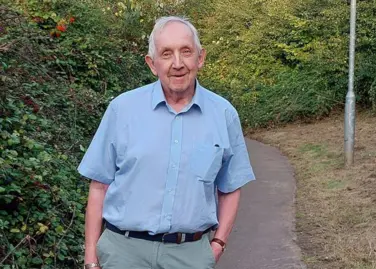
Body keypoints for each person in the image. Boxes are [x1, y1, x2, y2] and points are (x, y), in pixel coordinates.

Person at [78, 16, 255, 269]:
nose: (178, 63)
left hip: (190, 256)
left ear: (200, 58)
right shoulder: (123, 109)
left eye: (186, 51)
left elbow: (230, 187)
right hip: (122, 253)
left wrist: (218, 245)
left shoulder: (223, 114)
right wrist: (91, 260)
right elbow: (99, 187)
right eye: (166, 53)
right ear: (152, 64)